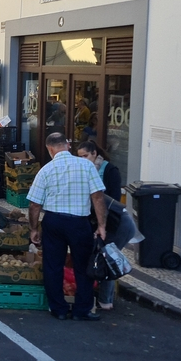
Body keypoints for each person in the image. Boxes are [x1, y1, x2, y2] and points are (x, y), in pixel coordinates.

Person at [27, 133, 107, 321]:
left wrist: (33, 229)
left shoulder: (46, 170)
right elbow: (97, 197)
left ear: (50, 149)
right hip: (79, 222)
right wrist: (102, 225)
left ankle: (59, 309)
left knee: (53, 266)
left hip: (54, 221)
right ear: (68, 146)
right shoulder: (87, 165)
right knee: (83, 265)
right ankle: (82, 309)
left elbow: (34, 205)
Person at [77, 140, 136, 310]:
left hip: (118, 223)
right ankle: (102, 296)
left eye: (85, 156)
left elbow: (112, 198)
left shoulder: (109, 170)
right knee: (102, 255)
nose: (83, 160)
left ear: (94, 153)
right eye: (79, 157)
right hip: (105, 222)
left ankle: (105, 301)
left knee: (107, 257)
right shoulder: (85, 171)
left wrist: (100, 224)